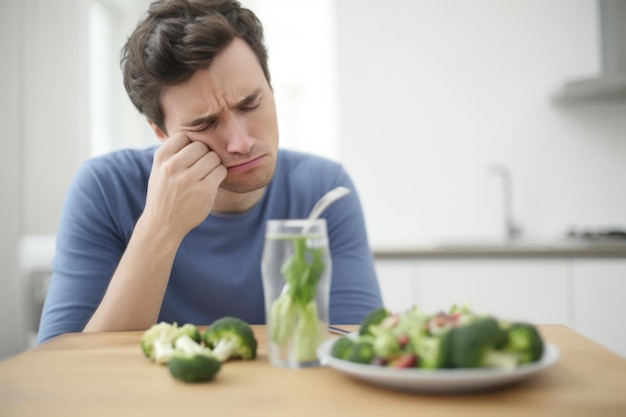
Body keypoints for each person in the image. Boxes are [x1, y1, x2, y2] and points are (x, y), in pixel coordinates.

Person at [37, 0, 382, 344]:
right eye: (204, 123)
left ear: (272, 88)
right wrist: (160, 226)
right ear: (161, 133)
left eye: (250, 103)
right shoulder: (104, 188)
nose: (241, 142)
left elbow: (362, 348)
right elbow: (62, 368)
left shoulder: (325, 188)